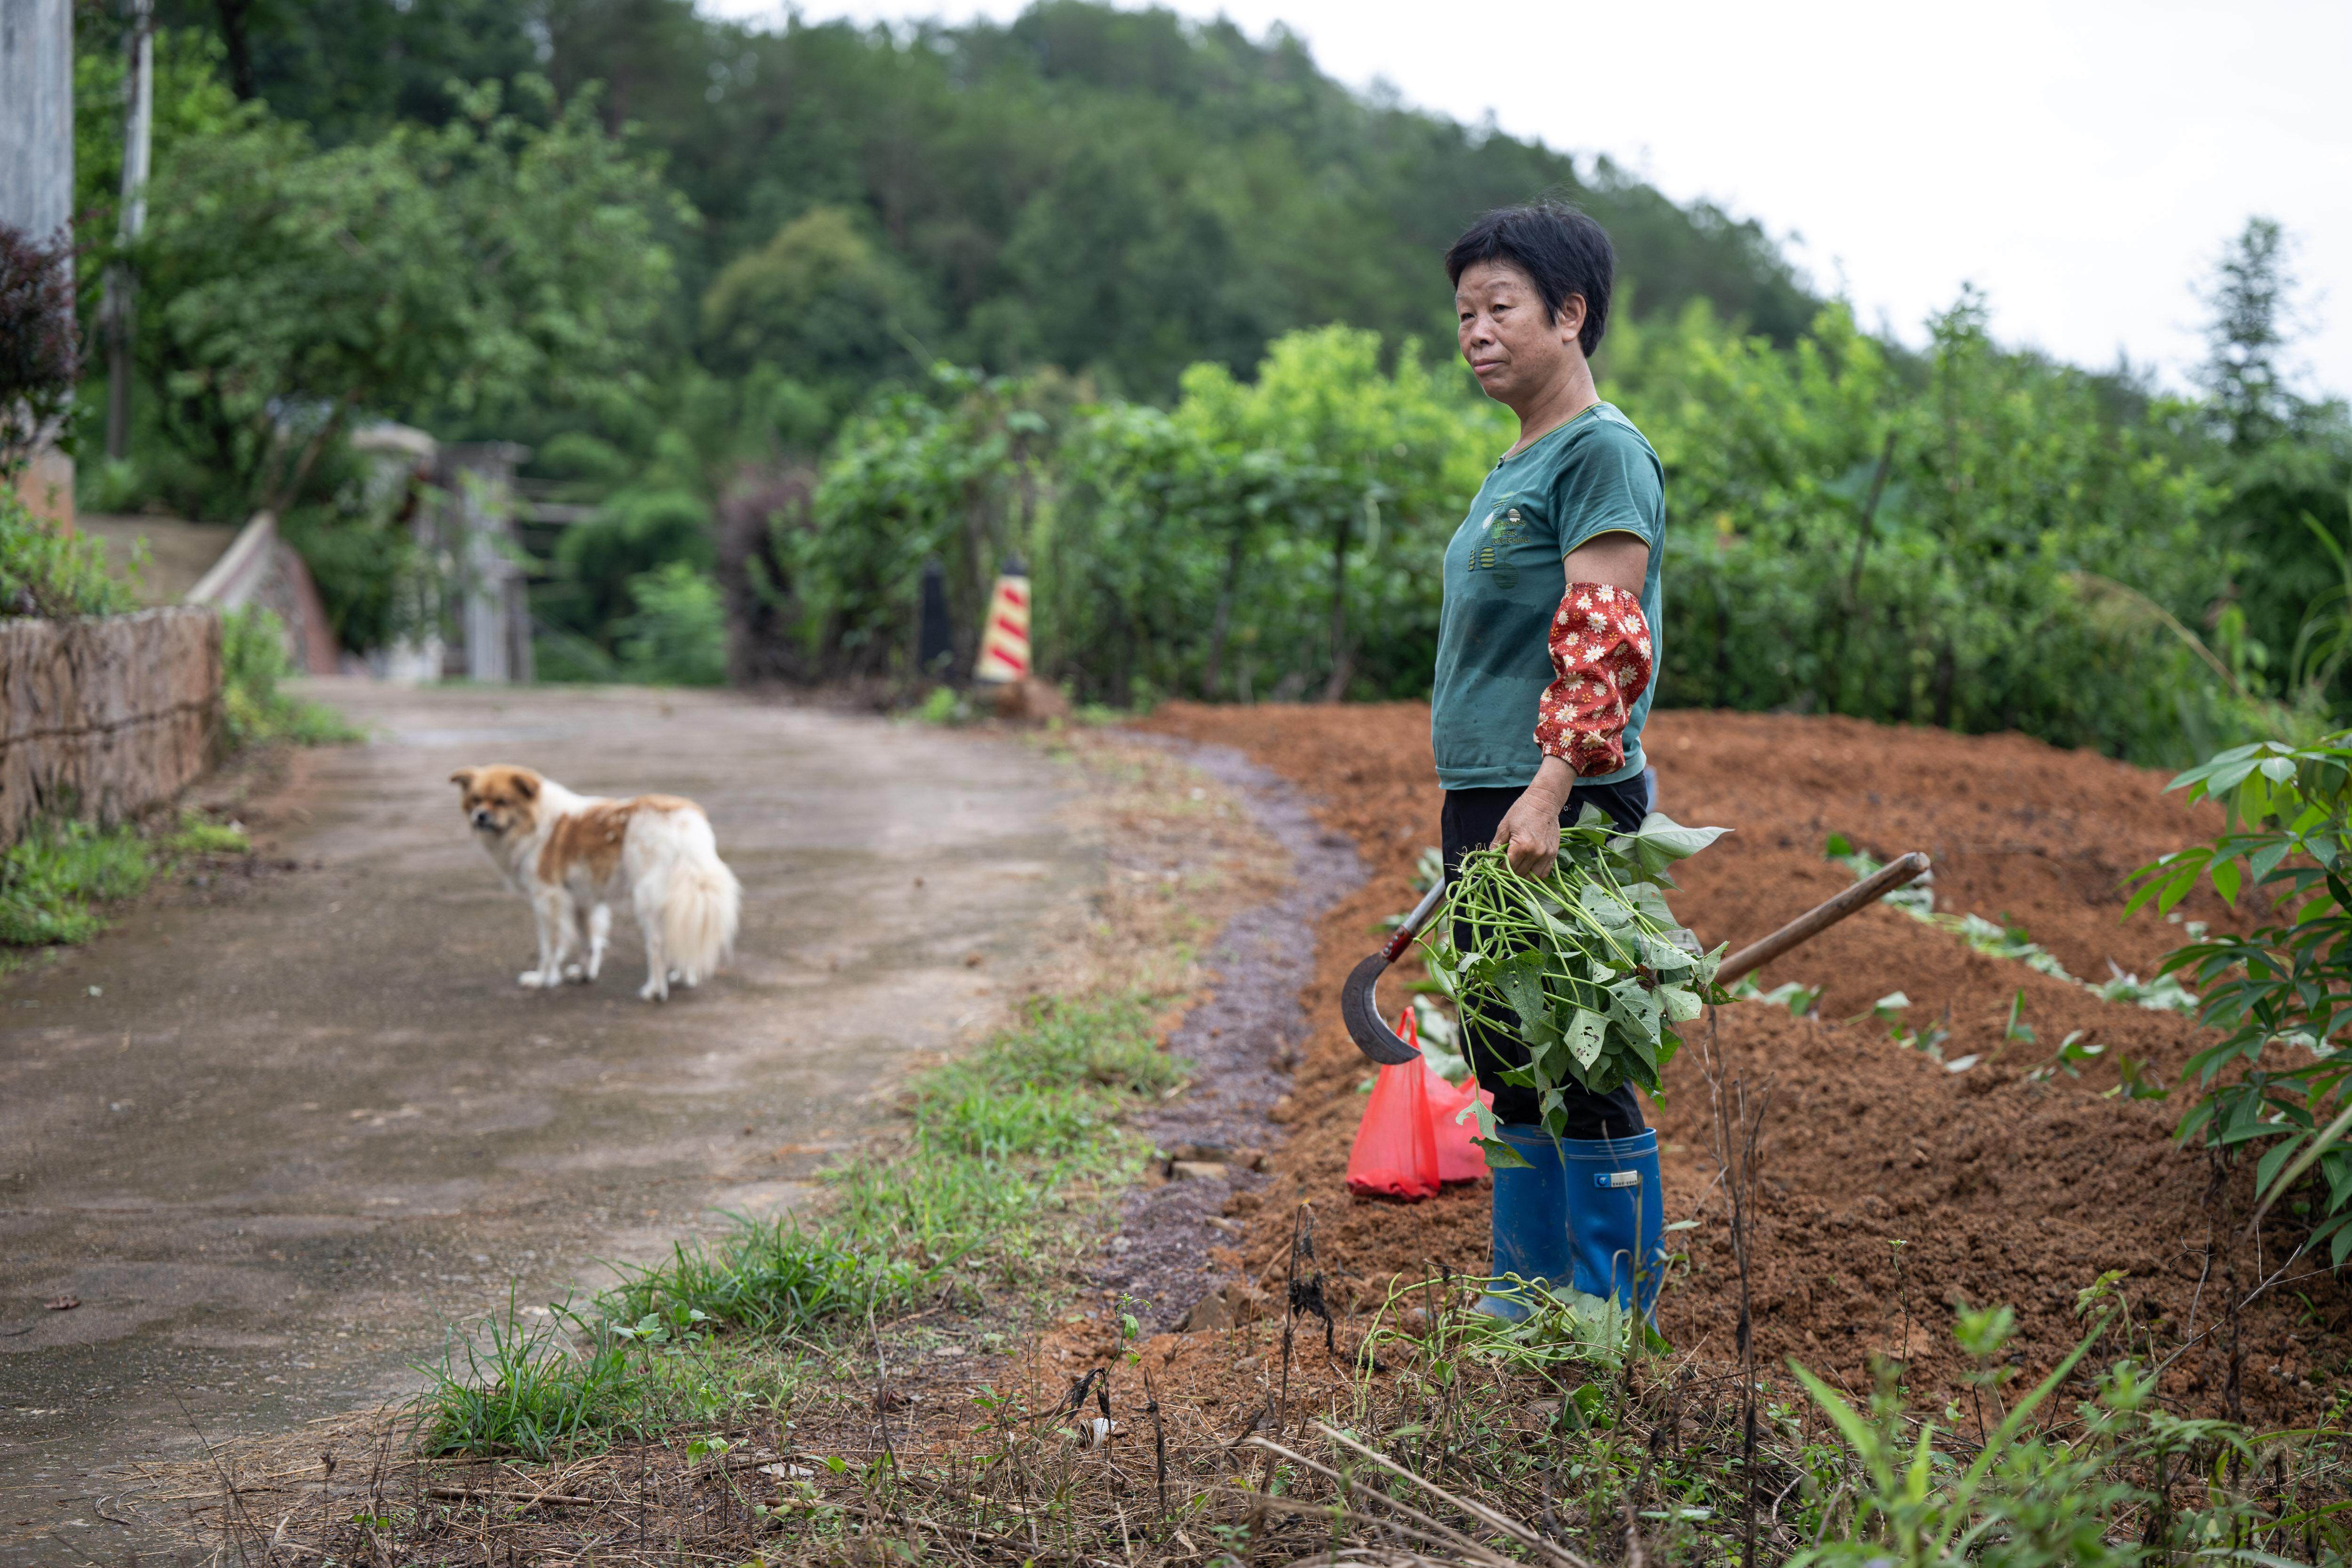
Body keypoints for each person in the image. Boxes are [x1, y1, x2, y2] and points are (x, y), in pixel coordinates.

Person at [1430, 203, 1668, 1322]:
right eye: (1463, 314)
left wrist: (1546, 790)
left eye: (1500, 308)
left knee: (1581, 1043)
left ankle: (1610, 1304)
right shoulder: (1518, 458)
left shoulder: (1600, 451)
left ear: (1570, 315)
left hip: (1557, 796)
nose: (1475, 332)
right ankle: (1524, 1292)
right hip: (1490, 794)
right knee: (1506, 1041)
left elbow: (1603, 636)